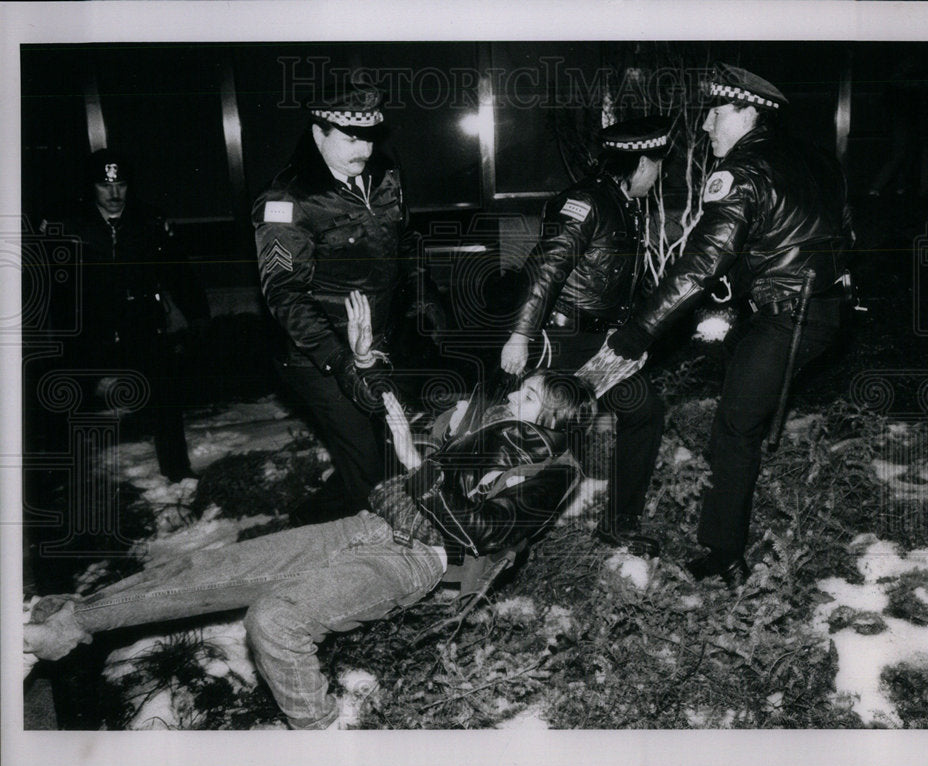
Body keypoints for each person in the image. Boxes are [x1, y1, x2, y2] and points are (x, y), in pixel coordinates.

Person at [24, 297, 597, 729]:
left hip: (420, 559)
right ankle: (65, 625)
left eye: (528, 398)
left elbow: (479, 532)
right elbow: (394, 403)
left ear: (551, 420)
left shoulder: (553, 474)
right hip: (371, 524)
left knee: (275, 622)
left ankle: (322, 736)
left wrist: (413, 464)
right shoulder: (488, 421)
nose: (512, 395)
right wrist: (365, 357)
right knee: (208, 570)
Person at [605, 64, 854, 586]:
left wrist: (638, 332)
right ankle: (727, 538)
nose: (704, 127)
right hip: (823, 308)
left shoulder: (742, 171)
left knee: (735, 428)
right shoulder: (811, 157)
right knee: (744, 400)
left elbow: (700, 262)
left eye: (715, 114)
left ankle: (723, 557)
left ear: (746, 112)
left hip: (789, 314)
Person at [253, 80, 445, 525]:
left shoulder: (384, 176)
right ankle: (381, 558)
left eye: (369, 135)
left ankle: (308, 524)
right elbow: (285, 294)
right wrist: (341, 363)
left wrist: (426, 299)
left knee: (386, 451)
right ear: (319, 132)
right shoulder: (287, 200)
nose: (363, 147)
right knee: (370, 468)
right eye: (350, 136)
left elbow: (405, 241)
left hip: (376, 346)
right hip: (321, 355)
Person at [499, 116, 671, 557]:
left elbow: (615, 282)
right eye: (656, 164)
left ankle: (618, 523)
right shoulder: (586, 201)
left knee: (644, 410)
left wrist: (626, 334)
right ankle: (494, 524)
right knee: (534, 432)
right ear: (641, 162)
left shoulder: (624, 204)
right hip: (560, 335)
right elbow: (546, 269)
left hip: (597, 341)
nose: (659, 175)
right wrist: (520, 334)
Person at [44, 148, 210, 482]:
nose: (115, 193)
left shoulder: (150, 222)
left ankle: (177, 471)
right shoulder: (69, 226)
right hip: (90, 328)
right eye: (106, 186)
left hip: (142, 322)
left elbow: (179, 273)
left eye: (121, 184)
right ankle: (59, 479)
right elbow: (52, 285)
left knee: (165, 394)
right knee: (60, 398)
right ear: (91, 187)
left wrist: (196, 316)